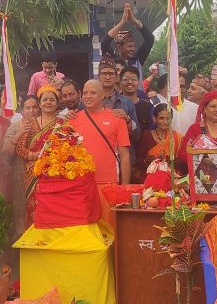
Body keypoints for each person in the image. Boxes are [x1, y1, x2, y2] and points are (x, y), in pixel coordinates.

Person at [72, 80, 131, 226]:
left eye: (93, 92)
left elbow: (125, 156)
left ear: (102, 95)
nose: (88, 96)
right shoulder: (73, 119)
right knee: (85, 230)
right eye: (85, 93)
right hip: (81, 184)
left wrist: (125, 187)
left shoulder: (117, 118)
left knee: (110, 229)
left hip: (108, 184)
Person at [16, 86, 64, 226]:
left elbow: (69, 148)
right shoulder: (30, 123)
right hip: (32, 174)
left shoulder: (63, 124)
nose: (48, 103)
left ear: (57, 102)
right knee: (33, 210)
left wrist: (51, 159)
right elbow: (19, 148)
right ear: (40, 103)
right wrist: (34, 155)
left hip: (55, 175)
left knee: (54, 211)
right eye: (45, 100)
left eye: (51, 100)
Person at [178, 91, 217, 175]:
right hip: (203, 181)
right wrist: (201, 159)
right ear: (204, 108)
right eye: (213, 106)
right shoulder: (195, 129)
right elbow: (182, 154)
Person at [4, 95, 40, 238]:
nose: (31, 111)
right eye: (28, 108)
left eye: (35, 107)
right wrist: (20, 133)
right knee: (21, 210)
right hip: (20, 174)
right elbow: (7, 151)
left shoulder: (45, 124)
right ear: (22, 110)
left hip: (40, 175)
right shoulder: (15, 126)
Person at [101, 3, 155, 84]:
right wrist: (122, 22)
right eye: (129, 46)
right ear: (119, 47)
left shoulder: (138, 60)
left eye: (134, 46)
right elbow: (105, 43)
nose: (133, 49)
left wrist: (135, 22)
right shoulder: (112, 60)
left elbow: (150, 39)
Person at [136, 103, 183, 171]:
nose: (165, 122)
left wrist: (169, 160)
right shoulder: (146, 135)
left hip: (172, 176)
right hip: (151, 175)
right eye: (161, 118)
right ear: (154, 119)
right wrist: (153, 159)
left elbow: (182, 161)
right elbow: (139, 159)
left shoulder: (177, 136)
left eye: (168, 118)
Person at [120, 67, 153, 132]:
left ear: (138, 83)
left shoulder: (148, 107)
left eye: (133, 79)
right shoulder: (114, 104)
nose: (129, 82)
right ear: (120, 83)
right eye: (126, 79)